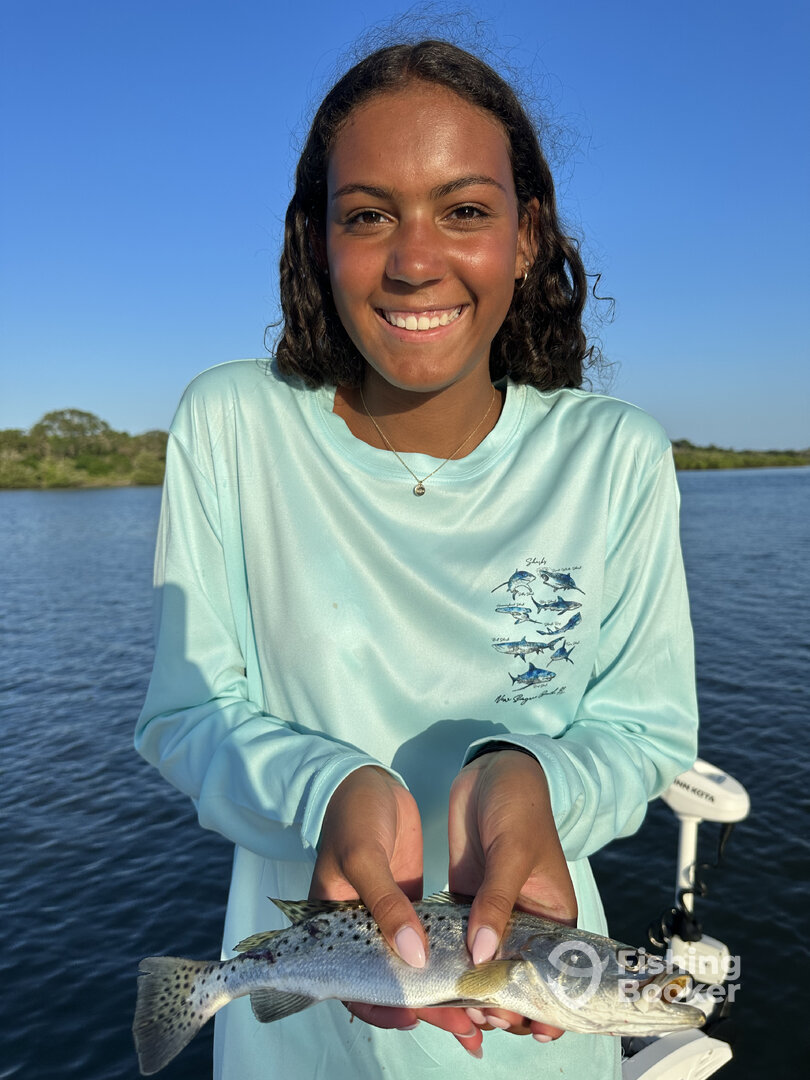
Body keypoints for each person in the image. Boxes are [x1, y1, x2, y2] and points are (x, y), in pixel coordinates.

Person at [135, 39, 698, 1080]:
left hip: (539, 1033)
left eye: (466, 209)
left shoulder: (617, 455)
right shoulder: (230, 424)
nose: (414, 259)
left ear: (528, 237)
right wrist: (329, 788)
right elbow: (187, 713)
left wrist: (533, 778)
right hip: (298, 1046)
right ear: (317, 242)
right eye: (367, 215)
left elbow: (646, 729)